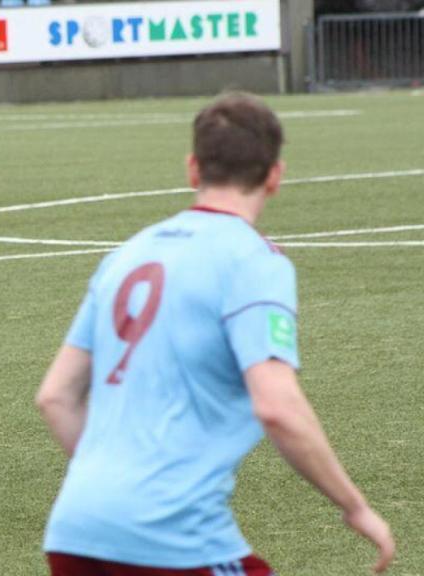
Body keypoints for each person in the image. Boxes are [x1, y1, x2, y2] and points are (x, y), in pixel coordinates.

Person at [35, 93, 395, 575]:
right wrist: (355, 506)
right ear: (275, 176)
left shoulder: (126, 255)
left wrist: (113, 489)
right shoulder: (254, 260)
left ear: (192, 168)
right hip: (171, 537)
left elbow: (55, 397)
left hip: (76, 530)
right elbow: (278, 406)